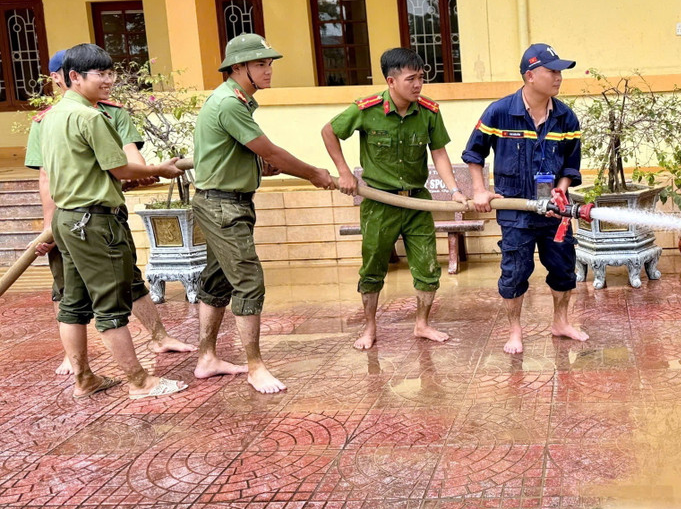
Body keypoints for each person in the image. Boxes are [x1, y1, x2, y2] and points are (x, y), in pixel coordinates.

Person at [26, 50, 196, 376]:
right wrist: (159, 168)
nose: (107, 81)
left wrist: (143, 169)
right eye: (99, 74)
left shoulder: (52, 117)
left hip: (70, 219)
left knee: (74, 303)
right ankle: (139, 382)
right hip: (93, 220)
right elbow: (119, 167)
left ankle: (83, 378)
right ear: (72, 77)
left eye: (110, 73)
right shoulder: (90, 117)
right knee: (111, 307)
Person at [192, 33, 336, 393]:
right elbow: (271, 151)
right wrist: (315, 174)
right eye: (261, 64)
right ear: (238, 68)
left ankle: (207, 358)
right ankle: (256, 366)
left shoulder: (236, 101)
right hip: (222, 205)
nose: (269, 70)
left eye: (270, 63)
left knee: (217, 280)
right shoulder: (229, 103)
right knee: (248, 282)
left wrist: (257, 165)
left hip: (223, 201)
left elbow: (249, 154)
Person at [322, 48, 467, 350]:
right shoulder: (367, 109)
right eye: (411, 78)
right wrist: (344, 172)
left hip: (416, 202)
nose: (418, 85)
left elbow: (438, 152)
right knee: (373, 267)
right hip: (379, 203)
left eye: (421, 78)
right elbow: (329, 131)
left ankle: (422, 324)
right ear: (391, 81)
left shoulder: (428, 112)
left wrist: (454, 190)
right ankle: (369, 327)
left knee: (428, 267)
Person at [463, 43, 589, 354]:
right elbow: (474, 154)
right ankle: (515, 331)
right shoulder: (500, 112)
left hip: (554, 212)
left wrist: (561, 189)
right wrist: (479, 190)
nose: (559, 77)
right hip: (515, 210)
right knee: (515, 271)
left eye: (560, 72)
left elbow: (571, 164)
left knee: (563, 268)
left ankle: (561, 322)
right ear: (530, 76)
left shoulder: (566, 118)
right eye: (552, 71)